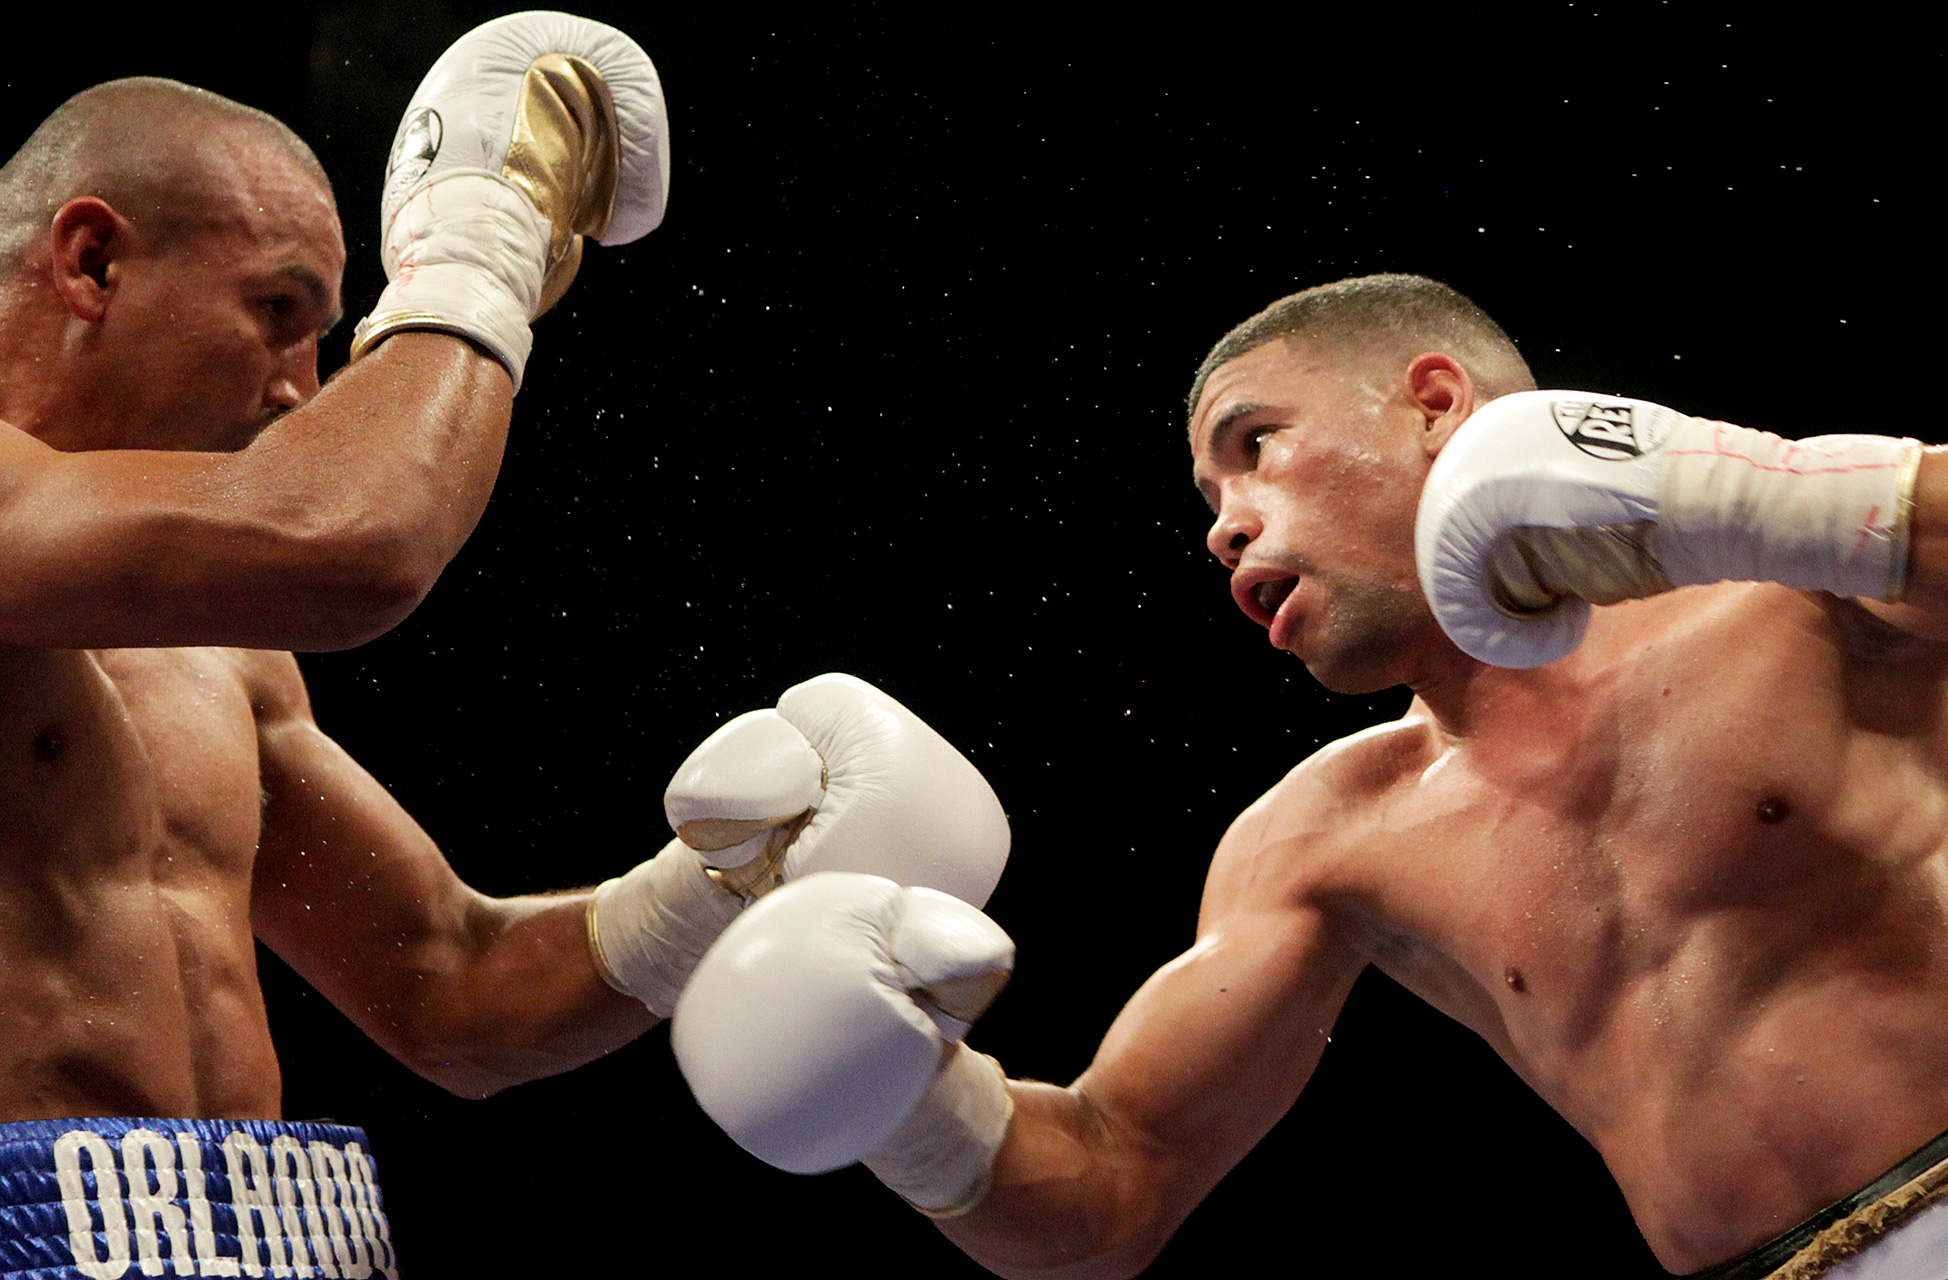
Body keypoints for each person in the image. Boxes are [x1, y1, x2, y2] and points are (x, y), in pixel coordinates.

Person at [669, 273, 1948, 1279]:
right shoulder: (1322, 839)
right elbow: (1113, 1191)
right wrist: (905, 1103)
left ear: (1438, 404)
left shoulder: (1791, 605)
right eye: (1208, 496)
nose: (1222, 521)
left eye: (1255, 445)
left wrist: (1727, 492)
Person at [0, 12, 1008, 1277]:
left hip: (265, 1237)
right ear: (92, 261)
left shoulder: (221, 650)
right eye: (277, 310)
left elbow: (449, 985)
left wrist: (710, 892)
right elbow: (351, 540)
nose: (300, 388)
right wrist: (473, 248)